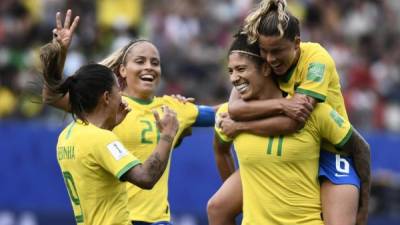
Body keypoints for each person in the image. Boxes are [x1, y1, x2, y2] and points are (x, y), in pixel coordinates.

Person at [42, 10, 215, 225]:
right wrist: (60, 52)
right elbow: (51, 96)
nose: (149, 67)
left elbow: (222, 114)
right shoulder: (104, 105)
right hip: (122, 218)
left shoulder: (171, 108)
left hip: (154, 219)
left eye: (155, 62)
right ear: (122, 71)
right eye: (140, 61)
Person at [208, 1, 371, 225]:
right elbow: (235, 107)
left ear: (296, 43)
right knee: (217, 207)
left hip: (330, 151)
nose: (270, 58)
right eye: (264, 52)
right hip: (295, 149)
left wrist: (241, 126)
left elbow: (296, 121)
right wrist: (196, 112)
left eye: (276, 51)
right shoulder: (269, 65)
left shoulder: (316, 59)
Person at [40, 57, 180, 225]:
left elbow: (96, 164)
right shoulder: (102, 139)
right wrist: (167, 135)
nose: (121, 96)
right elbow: (145, 177)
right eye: (117, 90)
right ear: (106, 97)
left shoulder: (66, 136)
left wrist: (109, 123)